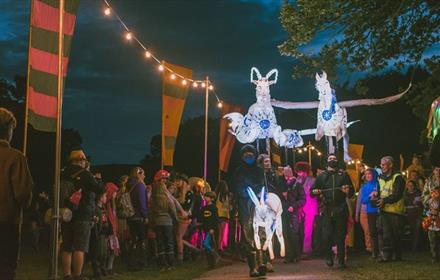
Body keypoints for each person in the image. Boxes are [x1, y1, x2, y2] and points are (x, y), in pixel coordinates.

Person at [0, 108, 34, 280]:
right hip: (6, 222)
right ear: (9, 130)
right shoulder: (15, 157)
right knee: (6, 268)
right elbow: (23, 194)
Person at [61, 149, 104, 280]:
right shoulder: (85, 174)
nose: (85, 162)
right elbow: (100, 189)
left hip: (66, 214)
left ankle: (67, 275)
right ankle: (77, 275)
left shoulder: (62, 173)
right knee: (80, 247)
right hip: (83, 215)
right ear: (80, 160)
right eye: (84, 160)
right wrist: (98, 179)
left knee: (67, 247)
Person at [311, 154, 354, 268]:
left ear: (337, 161)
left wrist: (347, 191)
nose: (332, 160)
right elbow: (312, 192)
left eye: (334, 159)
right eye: (330, 159)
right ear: (327, 161)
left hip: (340, 208)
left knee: (341, 236)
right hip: (327, 208)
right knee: (326, 235)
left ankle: (341, 260)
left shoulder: (344, 175)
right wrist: (315, 191)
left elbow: (352, 192)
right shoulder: (322, 176)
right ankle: (329, 257)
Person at [233, 144, 265, 277]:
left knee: (261, 234)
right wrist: (247, 194)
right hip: (245, 207)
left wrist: (259, 195)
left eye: (251, 155)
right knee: (249, 237)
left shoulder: (259, 170)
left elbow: (263, 185)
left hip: (258, 206)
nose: (248, 157)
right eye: (245, 155)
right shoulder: (238, 171)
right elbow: (238, 188)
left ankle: (262, 262)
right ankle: (253, 267)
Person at [375, 156, 406, 262]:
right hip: (384, 210)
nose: (381, 166)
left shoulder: (398, 178)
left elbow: (397, 194)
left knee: (396, 235)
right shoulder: (380, 178)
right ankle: (386, 256)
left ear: (391, 165)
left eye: (383, 164)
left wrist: (384, 200)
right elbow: (380, 192)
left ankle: (397, 255)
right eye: (381, 164)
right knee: (385, 234)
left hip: (396, 211)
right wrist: (376, 196)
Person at [150, 180, 177, 271]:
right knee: (169, 242)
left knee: (160, 243)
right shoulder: (167, 198)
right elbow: (172, 209)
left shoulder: (153, 199)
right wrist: (175, 218)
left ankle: (162, 264)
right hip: (167, 222)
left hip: (157, 222)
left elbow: (151, 212)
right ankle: (171, 263)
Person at [126, 167, 148, 269]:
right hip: (139, 216)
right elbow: (142, 202)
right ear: (138, 174)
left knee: (133, 239)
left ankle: (130, 262)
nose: (144, 176)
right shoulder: (140, 186)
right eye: (143, 174)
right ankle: (141, 262)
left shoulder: (128, 185)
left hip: (130, 216)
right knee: (141, 240)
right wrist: (145, 215)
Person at [283, 165, 306, 263]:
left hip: (293, 212)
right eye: (285, 172)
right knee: (286, 234)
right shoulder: (282, 184)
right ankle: (289, 255)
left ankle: (296, 255)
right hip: (283, 212)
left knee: (294, 233)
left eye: (288, 172)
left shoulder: (297, 184)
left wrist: (294, 207)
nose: (286, 174)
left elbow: (303, 199)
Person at [294, 162, 316, 256]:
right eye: (299, 172)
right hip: (299, 208)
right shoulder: (296, 181)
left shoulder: (312, 181)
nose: (301, 174)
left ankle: (307, 250)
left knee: (308, 229)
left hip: (309, 207)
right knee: (297, 229)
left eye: (303, 172)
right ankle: (297, 249)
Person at [89, 189, 112, 279]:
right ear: (100, 198)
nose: (106, 198)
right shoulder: (95, 209)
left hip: (104, 233)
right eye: (105, 196)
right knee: (97, 253)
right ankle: (97, 271)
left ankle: (103, 269)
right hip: (98, 233)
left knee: (104, 253)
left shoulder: (103, 208)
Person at [360, 168, 380, 258]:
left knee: (381, 231)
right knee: (372, 231)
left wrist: (377, 194)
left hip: (380, 210)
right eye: (366, 174)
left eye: (370, 174)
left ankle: (382, 250)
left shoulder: (378, 184)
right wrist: (370, 195)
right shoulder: (364, 187)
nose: (368, 175)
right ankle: (374, 251)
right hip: (371, 211)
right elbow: (363, 200)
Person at [173, 173, 193, 263]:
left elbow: (186, 206)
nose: (176, 182)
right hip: (178, 216)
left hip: (184, 217)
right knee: (178, 237)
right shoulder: (178, 192)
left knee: (179, 237)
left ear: (183, 182)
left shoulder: (189, 193)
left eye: (178, 181)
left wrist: (176, 201)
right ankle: (195, 250)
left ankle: (180, 257)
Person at [422, 166, 440, 262]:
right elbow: (423, 196)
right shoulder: (429, 182)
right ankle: (434, 255)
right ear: (433, 170)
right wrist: (430, 200)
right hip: (431, 212)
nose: (438, 171)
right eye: (437, 169)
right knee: (432, 235)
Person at [201, 191, 220, 267]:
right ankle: (211, 262)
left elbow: (215, 219)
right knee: (208, 244)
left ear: (211, 198)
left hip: (211, 229)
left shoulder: (213, 208)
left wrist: (212, 228)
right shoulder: (204, 208)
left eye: (207, 197)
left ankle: (215, 255)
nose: (205, 198)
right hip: (206, 228)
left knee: (206, 244)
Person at [104, 183, 120, 276]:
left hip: (113, 229)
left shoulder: (113, 204)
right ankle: (107, 268)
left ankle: (110, 268)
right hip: (108, 230)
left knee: (113, 250)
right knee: (108, 250)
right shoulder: (107, 205)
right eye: (114, 192)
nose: (115, 194)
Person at [404, 180, 423, 251]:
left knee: (417, 230)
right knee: (411, 230)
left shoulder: (418, 193)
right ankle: (411, 246)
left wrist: (417, 203)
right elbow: (404, 204)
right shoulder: (404, 194)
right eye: (408, 185)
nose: (410, 187)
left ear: (414, 186)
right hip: (408, 215)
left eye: (411, 185)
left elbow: (419, 204)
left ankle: (415, 247)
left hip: (417, 214)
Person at [215, 180, 232, 252]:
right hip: (224, 216)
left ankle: (217, 245)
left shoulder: (216, 195)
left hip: (217, 214)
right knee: (221, 232)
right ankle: (219, 246)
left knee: (218, 231)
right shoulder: (225, 196)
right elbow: (227, 207)